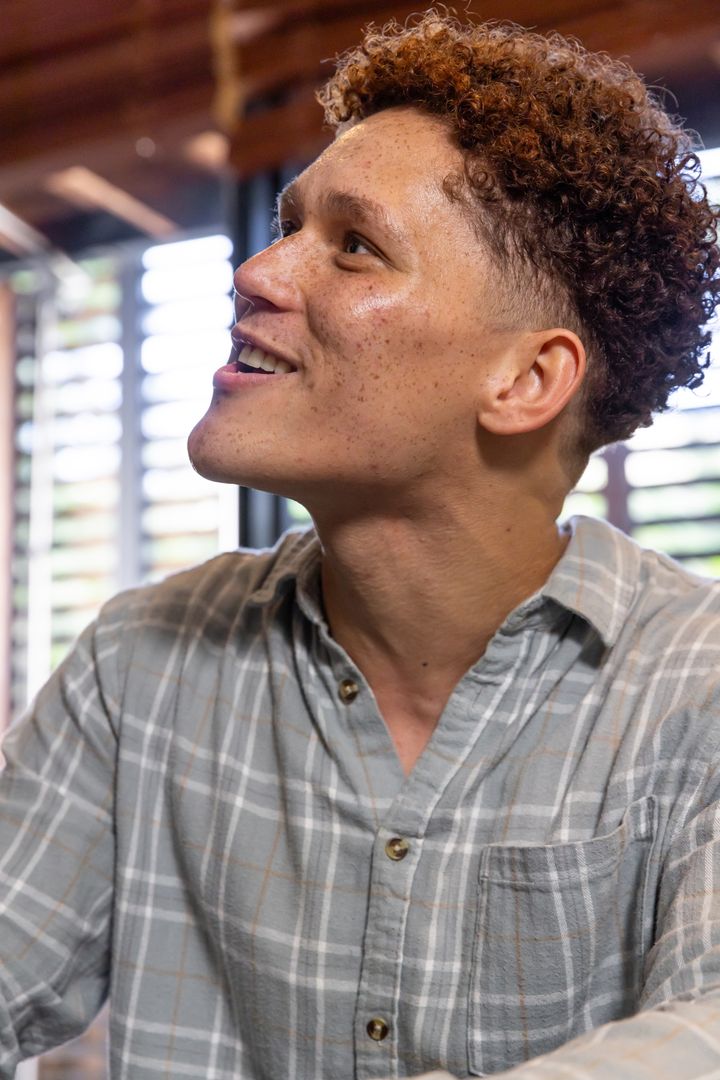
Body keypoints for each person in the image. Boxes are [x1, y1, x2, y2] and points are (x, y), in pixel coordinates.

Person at [2, 9, 720, 1079]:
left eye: (354, 245)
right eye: (288, 224)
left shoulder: (696, 688)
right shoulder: (138, 662)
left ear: (526, 381)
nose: (257, 270)